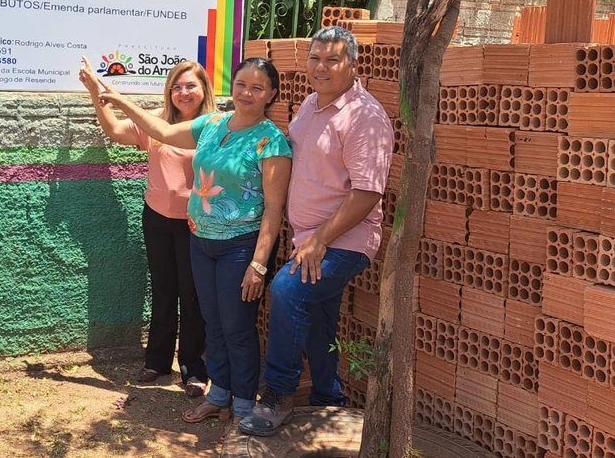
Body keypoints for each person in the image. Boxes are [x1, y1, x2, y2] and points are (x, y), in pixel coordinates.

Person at [97, 58, 292, 422]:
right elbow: (164, 132)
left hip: (240, 246)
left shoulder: (272, 141)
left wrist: (259, 263)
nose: (247, 92)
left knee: (236, 327)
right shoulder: (212, 124)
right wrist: (121, 102)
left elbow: (274, 209)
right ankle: (218, 395)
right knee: (214, 326)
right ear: (231, 87)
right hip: (201, 241)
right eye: (241, 84)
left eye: (257, 87)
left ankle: (245, 404)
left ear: (271, 94)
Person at [238, 26, 393, 437]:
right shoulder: (310, 104)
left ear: (353, 64)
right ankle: (328, 396)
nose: (321, 67)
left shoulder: (364, 117)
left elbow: (367, 194)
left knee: (287, 292)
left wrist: (319, 240)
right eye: (315, 58)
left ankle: (277, 396)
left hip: (345, 242)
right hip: (308, 239)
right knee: (320, 318)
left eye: (332, 59)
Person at [78, 56, 214, 396]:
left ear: (204, 89)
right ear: (169, 91)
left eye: (190, 86)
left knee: (192, 295)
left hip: (195, 223)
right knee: (164, 289)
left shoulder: (213, 126)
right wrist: (96, 92)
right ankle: (156, 361)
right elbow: (114, 130)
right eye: (177, 86)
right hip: (156, 217)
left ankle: (194, 369)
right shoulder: (155, 122)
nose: (183, 92)